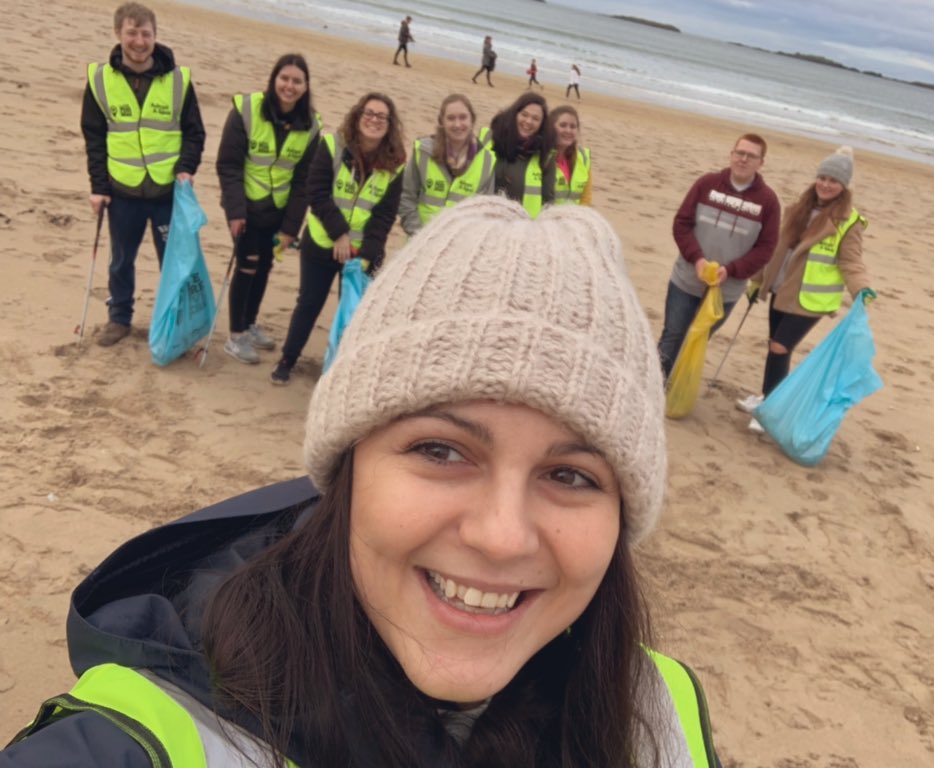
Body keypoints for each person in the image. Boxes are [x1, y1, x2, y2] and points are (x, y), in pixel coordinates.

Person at [4, 198, 722, 768]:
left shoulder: (660, 713)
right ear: (348, 470)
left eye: (570, 474)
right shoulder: (148, 740)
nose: (501, 535)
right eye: (442, 451)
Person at [81, 1, 205, 347]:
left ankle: (175, 321)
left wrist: (185, 168)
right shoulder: (100, 81)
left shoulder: (179, 81)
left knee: (174, 263)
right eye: (132, 32)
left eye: (145, 33)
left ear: (155, 36)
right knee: (121, 260)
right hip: (122, 193)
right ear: (118, 33)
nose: (139, 41)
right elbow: (94, 138)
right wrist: (98, 187)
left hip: (168, 194)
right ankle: (119, 317)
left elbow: (194, 132)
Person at [270, 93, 405, 385]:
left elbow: (385, 215)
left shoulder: (396, 164)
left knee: (355, 313)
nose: (374, 120)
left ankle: (342, 371)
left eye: (382, 116)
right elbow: (316, 192)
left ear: (390, 125)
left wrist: (366, 253)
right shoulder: (332, 145)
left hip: (361, 253)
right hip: (321, 243)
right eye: (368, 113)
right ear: (357, 116)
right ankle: (287, 359)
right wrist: (339, 235)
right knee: (309, 303)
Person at [737, 146, 873, 433]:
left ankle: (770, 410)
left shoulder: (848, 222)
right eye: (822, 177)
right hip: (781, 289)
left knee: (779, 347)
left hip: (811, 299)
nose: (825, 184)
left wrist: (862, 289)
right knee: (774, 346)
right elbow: (775, 248)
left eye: (833, 181)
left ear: (843, 186)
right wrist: (758, 280)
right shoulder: (797, 208)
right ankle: (767, 398)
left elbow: (852, 261)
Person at [215, 54, 320, 365]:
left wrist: (290, 228)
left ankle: (249, 323)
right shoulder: (246, 111)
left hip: (277, 210)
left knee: (264, 267)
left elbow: (304, 181)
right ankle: (235, 336)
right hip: (244, 207)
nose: (289, 86)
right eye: (284, 78)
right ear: (274, 79)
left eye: (297, 81)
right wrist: (236, 212)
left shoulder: (311, 126)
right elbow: (228, 165)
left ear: (305, 86)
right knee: (246, 265)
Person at [656, 133, 780, 379]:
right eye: (739, 153)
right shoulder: (707, 184)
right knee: (673, 334)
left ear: (761, 162)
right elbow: (681, 224)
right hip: (687, 279)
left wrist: (732, 270)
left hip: (726, 290)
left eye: (751, 156)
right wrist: (698, 259)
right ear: (731, 154)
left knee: (698, 339)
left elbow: (766, 248)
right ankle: (654, 383)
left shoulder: (768, 201)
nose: (743, 159)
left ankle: (677, 384)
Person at [399, 93, 496, 236]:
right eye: (451, 118)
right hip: (419, 242)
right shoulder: (423, 152)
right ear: (442, 122)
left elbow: (486, 213)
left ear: (472, 120)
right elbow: (406, 198)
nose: (457, 124)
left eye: (463, 117)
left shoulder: (487, 161)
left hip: (460, 248)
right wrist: (420, 234)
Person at [488, 92, 555, 217]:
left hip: (523, 228)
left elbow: (548, 202)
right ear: (515, 114)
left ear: (542, 124)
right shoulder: (490, 139)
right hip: (485, 221)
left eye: (535, 119)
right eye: (524, 115)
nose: (528, 121)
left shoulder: (546, 156)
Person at [548, 105, 591, 206]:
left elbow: (586, 199)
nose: (568, 131)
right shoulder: (542, 157)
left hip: (572, 219)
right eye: (563, 125)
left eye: (573, 127)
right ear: (551, 127)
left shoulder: (583, 158)